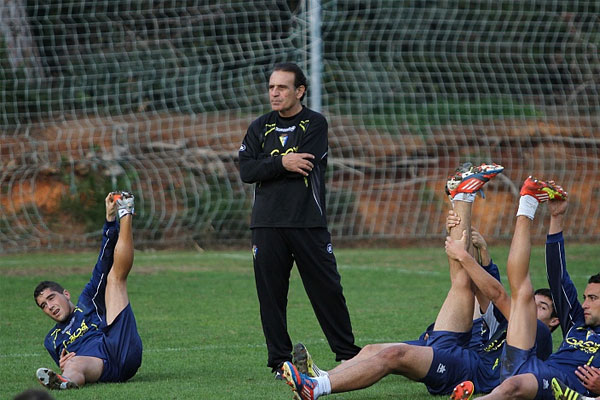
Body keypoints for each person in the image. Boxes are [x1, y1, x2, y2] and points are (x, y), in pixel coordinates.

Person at [279, 163, 555, 400]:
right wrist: (465, 237)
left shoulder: (538, 335)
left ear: (553, 322)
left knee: (394, 355)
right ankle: (463, 196)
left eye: (540, 307)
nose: (531, 305)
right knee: (460, 283)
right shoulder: (505, 324)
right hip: (459, 348)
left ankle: (316, 388)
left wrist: (465, 253)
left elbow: (498, 293)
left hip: (465, 370)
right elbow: (482, 286)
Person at [238, 62, 360, 375]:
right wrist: (282, 162)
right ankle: (280, 361)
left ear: (299, 91)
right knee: (271, 295)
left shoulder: (315, 124)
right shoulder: (259, 127)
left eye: (281, 87)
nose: (274, 93)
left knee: (327, 288)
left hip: (308, 221)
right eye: (271, 87)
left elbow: (304, 163)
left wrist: (271, 163)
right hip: (266, 224)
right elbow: (247, 170)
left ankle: (347, 354)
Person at [457, 177, 600, 400]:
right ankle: (528, 202)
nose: (585, 304)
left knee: (510, 387)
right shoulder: (576, 322)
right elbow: (557, 274)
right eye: (585, 297)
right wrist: (557, 217)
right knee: (522, 292)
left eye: (593, 298)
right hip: (537, 368)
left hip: (561, 385)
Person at [34, 192, 142, 389]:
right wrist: (64, 365)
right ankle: (65, 382)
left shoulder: (87, 300)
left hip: (119, 346)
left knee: (114, 280)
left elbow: (104, 260)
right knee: (74, 364)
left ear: (66, 294)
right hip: (98, 367)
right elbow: (66, 360)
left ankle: (126, 212)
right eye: (44, 305)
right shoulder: (52, 340)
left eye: (51, 298)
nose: (50, 306)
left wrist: (110, 220)